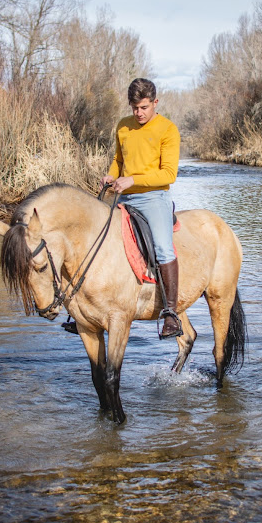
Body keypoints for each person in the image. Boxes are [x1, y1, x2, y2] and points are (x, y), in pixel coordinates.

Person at [99, 78, 182, 338]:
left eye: (144, 107)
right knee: (99, 239)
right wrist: (111, 176)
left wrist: (133, 179)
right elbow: (119, 159)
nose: (139, 113)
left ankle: (171, 313)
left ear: (155, 103)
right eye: (135, 107)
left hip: (154, 197)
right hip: (123, 196)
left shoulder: (168, 130)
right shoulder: (123, 126)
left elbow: (168, 174)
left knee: (162, 247)